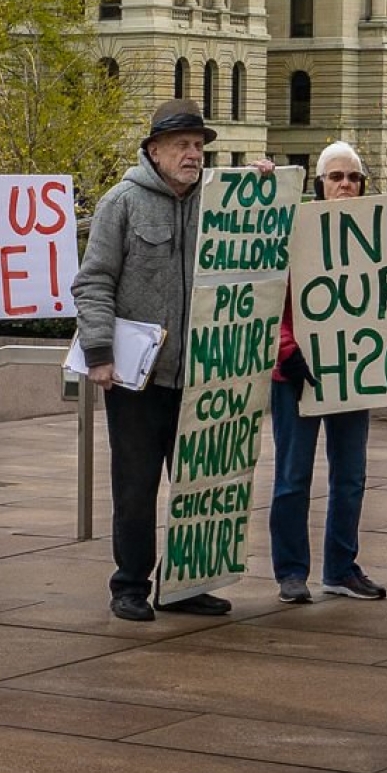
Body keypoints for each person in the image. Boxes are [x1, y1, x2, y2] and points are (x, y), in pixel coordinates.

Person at [72, 98, 251, 622]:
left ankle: (187, 585)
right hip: (137, 376)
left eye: (198, 146)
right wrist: (99, 353)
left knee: (198, 486)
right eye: (182, 145)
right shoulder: (120, 203)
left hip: (204, 375)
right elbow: (94, 281)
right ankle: (129, 584)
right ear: (154, 150)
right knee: (136, 486)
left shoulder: (222, 202)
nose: (193, 154)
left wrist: (264, 184)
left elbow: (269, 234)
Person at [270, 142, 387, 604]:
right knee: (292, 477)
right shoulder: (294, 232)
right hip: (297, 374)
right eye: (335, 176)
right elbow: (272, 301)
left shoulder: (381, 235)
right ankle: (291, 571)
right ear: (319, 185)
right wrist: (287, 351)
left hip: (351, 372)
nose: (345, 184)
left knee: (350, 477)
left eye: (353, 177)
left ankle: (341, 568)